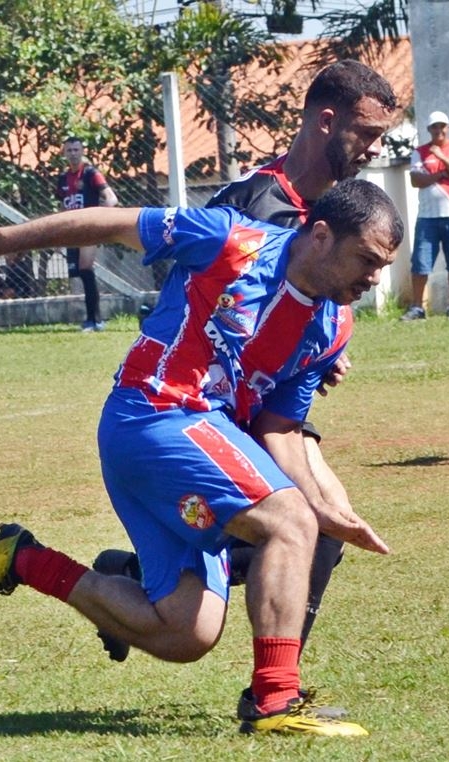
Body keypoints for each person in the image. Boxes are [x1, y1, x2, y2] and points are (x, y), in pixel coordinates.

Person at [0, 178, 403, 736]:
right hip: (154, 413)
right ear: (320, 236)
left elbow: (280, 430)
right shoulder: (228, 239)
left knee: (184, 632)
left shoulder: (332, 328)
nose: (375, 278)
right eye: (367, 259)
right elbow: (107, 224)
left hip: (185, 439)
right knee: (287, 524)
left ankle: (20, 558)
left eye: (383, 265)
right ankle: (276, 702)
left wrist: (324, 507)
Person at [92, 60, 399, 671]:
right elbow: (205, 299)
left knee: (320, 527)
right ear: (327, 122)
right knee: (304, 521)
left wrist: (321, 349)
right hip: (206, 398)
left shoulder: (351, 214)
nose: (375, 148)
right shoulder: (251, 203)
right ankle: (270, 684)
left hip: (271, 396)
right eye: (366, 134)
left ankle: (146, 587)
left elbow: (308, 312)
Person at [400, 110, 449, 320]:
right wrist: (442, 173)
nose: (438, 130)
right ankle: (417, 307)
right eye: (434, 127)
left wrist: (441, 157)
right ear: (429, 129)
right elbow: (416, 180)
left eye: (442, 126)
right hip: (428, 217)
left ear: (447, 128)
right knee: (420, 263)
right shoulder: (420, 152)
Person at [55, 136, 118, 331]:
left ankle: (95, 320)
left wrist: (99, 219)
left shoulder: (91, 174)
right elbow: (62, 204)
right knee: (80, 273)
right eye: (69, 150)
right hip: (71, 229)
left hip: (88, 229)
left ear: (82, 151)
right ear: (64, 153)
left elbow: (111, 198)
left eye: (76, 150)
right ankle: (92, 319)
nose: (73, 153)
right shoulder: (63, 179)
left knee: (85, 269)